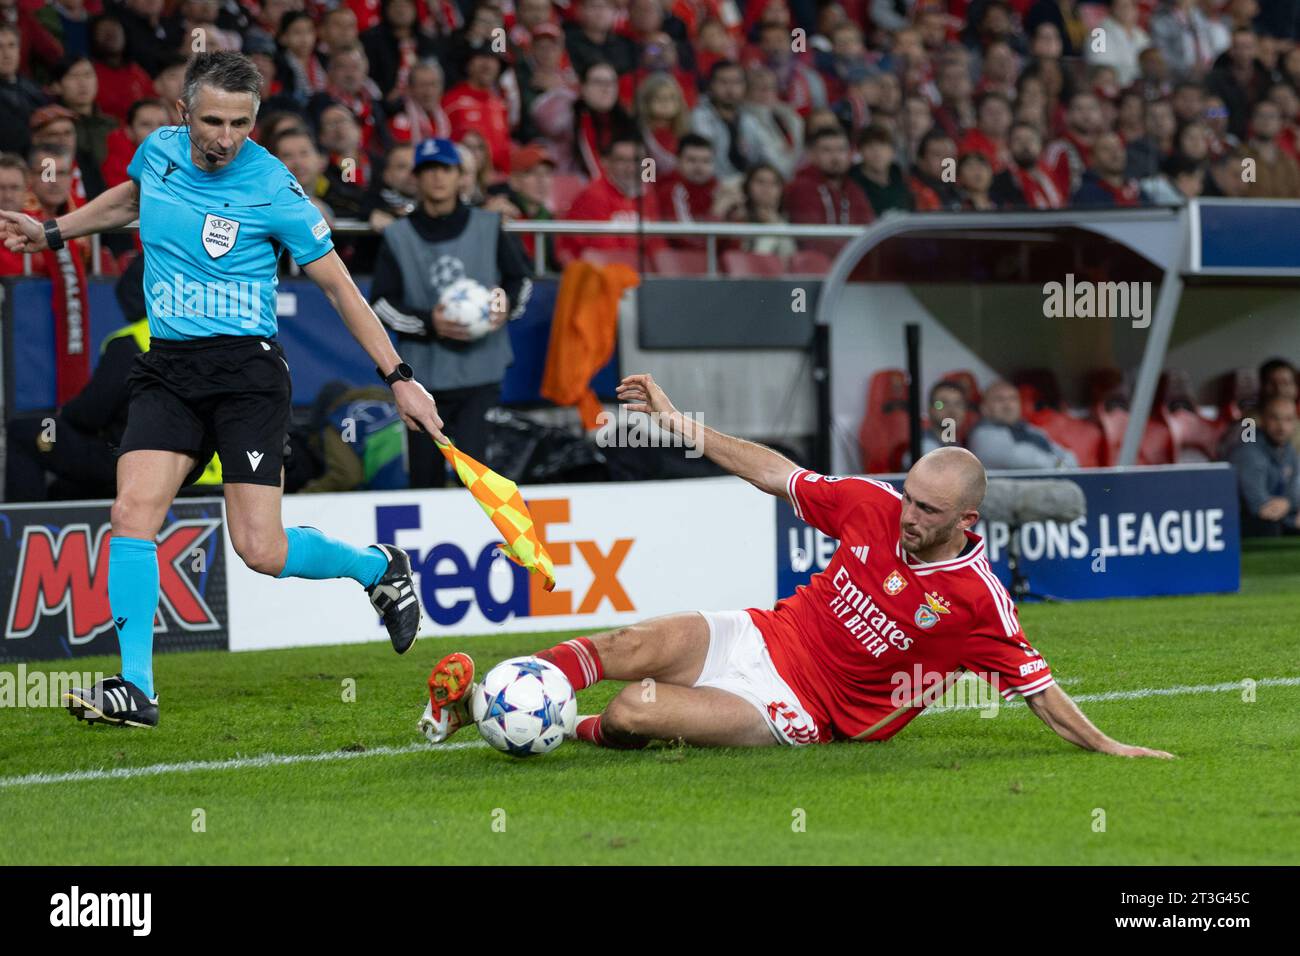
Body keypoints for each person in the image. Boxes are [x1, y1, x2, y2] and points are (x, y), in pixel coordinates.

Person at [0, 51, 444, 728]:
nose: (225, 137)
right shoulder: (159, 150)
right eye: (212, 121)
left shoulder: (274, 185)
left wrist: (400, 378)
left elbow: (340, 289)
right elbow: (133, 194)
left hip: (247, 377)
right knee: (131, 514)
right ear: (183, 114)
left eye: (240, 123)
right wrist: (55, 230)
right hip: (169, 370)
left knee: (261, 550)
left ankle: (377, 567)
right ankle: (136, 687)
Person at [419, 373, 1173, 759]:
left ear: (965, 523)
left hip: (803, 711)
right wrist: (680, 421)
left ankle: (545, 723)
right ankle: (484, 699)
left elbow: (1038, 689)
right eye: (909, 498)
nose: (908, 516)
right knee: (625, 646)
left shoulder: (978, 602)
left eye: (928, 513)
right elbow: (775, 473)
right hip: (761, 635)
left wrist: (1107, 745)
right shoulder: (873, 503)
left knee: (633, 709)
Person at [369, 137, 532, 488]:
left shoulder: (489, 226)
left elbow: (520, 280)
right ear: (416, 179)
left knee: (479, 475)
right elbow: (382, 304)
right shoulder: (398, 237)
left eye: (445, 169)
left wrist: (503, 306)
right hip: (422, 380)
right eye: (428, 171)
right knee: (426, 480)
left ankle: (484, 542)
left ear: (461, 176)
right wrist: (432, 323)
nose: (437, 178)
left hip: (481, 373)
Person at [1228, 396, 1300, 536]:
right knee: (1270, 527)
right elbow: (1258, 507)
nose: (1281, 426)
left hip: (1278, 517)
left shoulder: (1288, 450)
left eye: (1288, 419)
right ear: (1263, 419)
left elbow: (1295, 496)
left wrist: (1288, 504)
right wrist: (1292, 519)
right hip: (1242, 521)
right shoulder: (1249, 451)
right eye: (1275, 418)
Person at [968, 380, 1078, 469]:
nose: (1008, 405)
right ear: (984, 408)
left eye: (1013, 399)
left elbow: (1071, 458)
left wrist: (1059, 464)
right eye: (999, 399)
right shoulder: (982, 434)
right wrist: (1058, 464)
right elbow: (1017, 458)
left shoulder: (1031, 430)